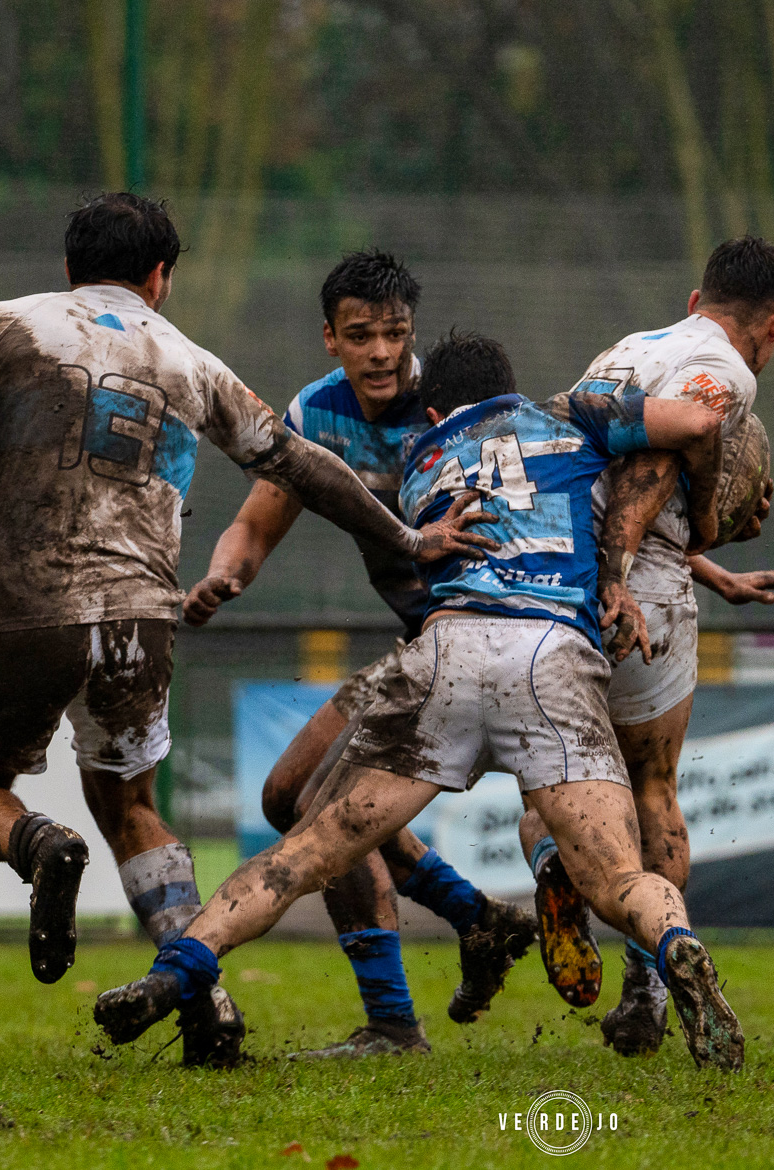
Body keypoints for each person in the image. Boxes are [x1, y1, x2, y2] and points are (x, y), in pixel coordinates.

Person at [0, 193, 492, 1068]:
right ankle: (209, 1004)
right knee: (132, 806)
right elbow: (303, 466)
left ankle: (38, 843)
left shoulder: (3, 324)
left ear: (70, 267)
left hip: (25, 607)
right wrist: (410, 538)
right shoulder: (190, 359)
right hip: (140, 624)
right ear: (160, 277)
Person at [94, 331, 747, 1072]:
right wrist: (704, 522)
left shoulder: (418, 461)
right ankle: (674, 943)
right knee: (617, 877)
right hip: (551, 655)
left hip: (444, 653)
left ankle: (178, 968)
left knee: (304, 848)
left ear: (433, 409)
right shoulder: (574, 416)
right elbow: (694, 427)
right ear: (514, 387)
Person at [181, 251, 537, 1059]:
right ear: (330, 338)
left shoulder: (453, 405)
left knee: (317, 808)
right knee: (287, 796)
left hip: (487, 640)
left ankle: (394, 1019)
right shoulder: (317, 414)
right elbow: (256, 521)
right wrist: (223, 575)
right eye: (361, 335)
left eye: (395, 334)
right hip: (418, 646)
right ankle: (476, 918)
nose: (381, 352)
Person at [522, 235, 774, 1059]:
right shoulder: (730, 373)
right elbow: (651, 466)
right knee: (652, 787)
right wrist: (650, 560)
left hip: (557, 578)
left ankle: (556, 867)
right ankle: (649, 984)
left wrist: (709, 567)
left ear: (694, 301)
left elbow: (593, 474)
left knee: (549, 791)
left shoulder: (624, 351)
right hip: (634, 590)